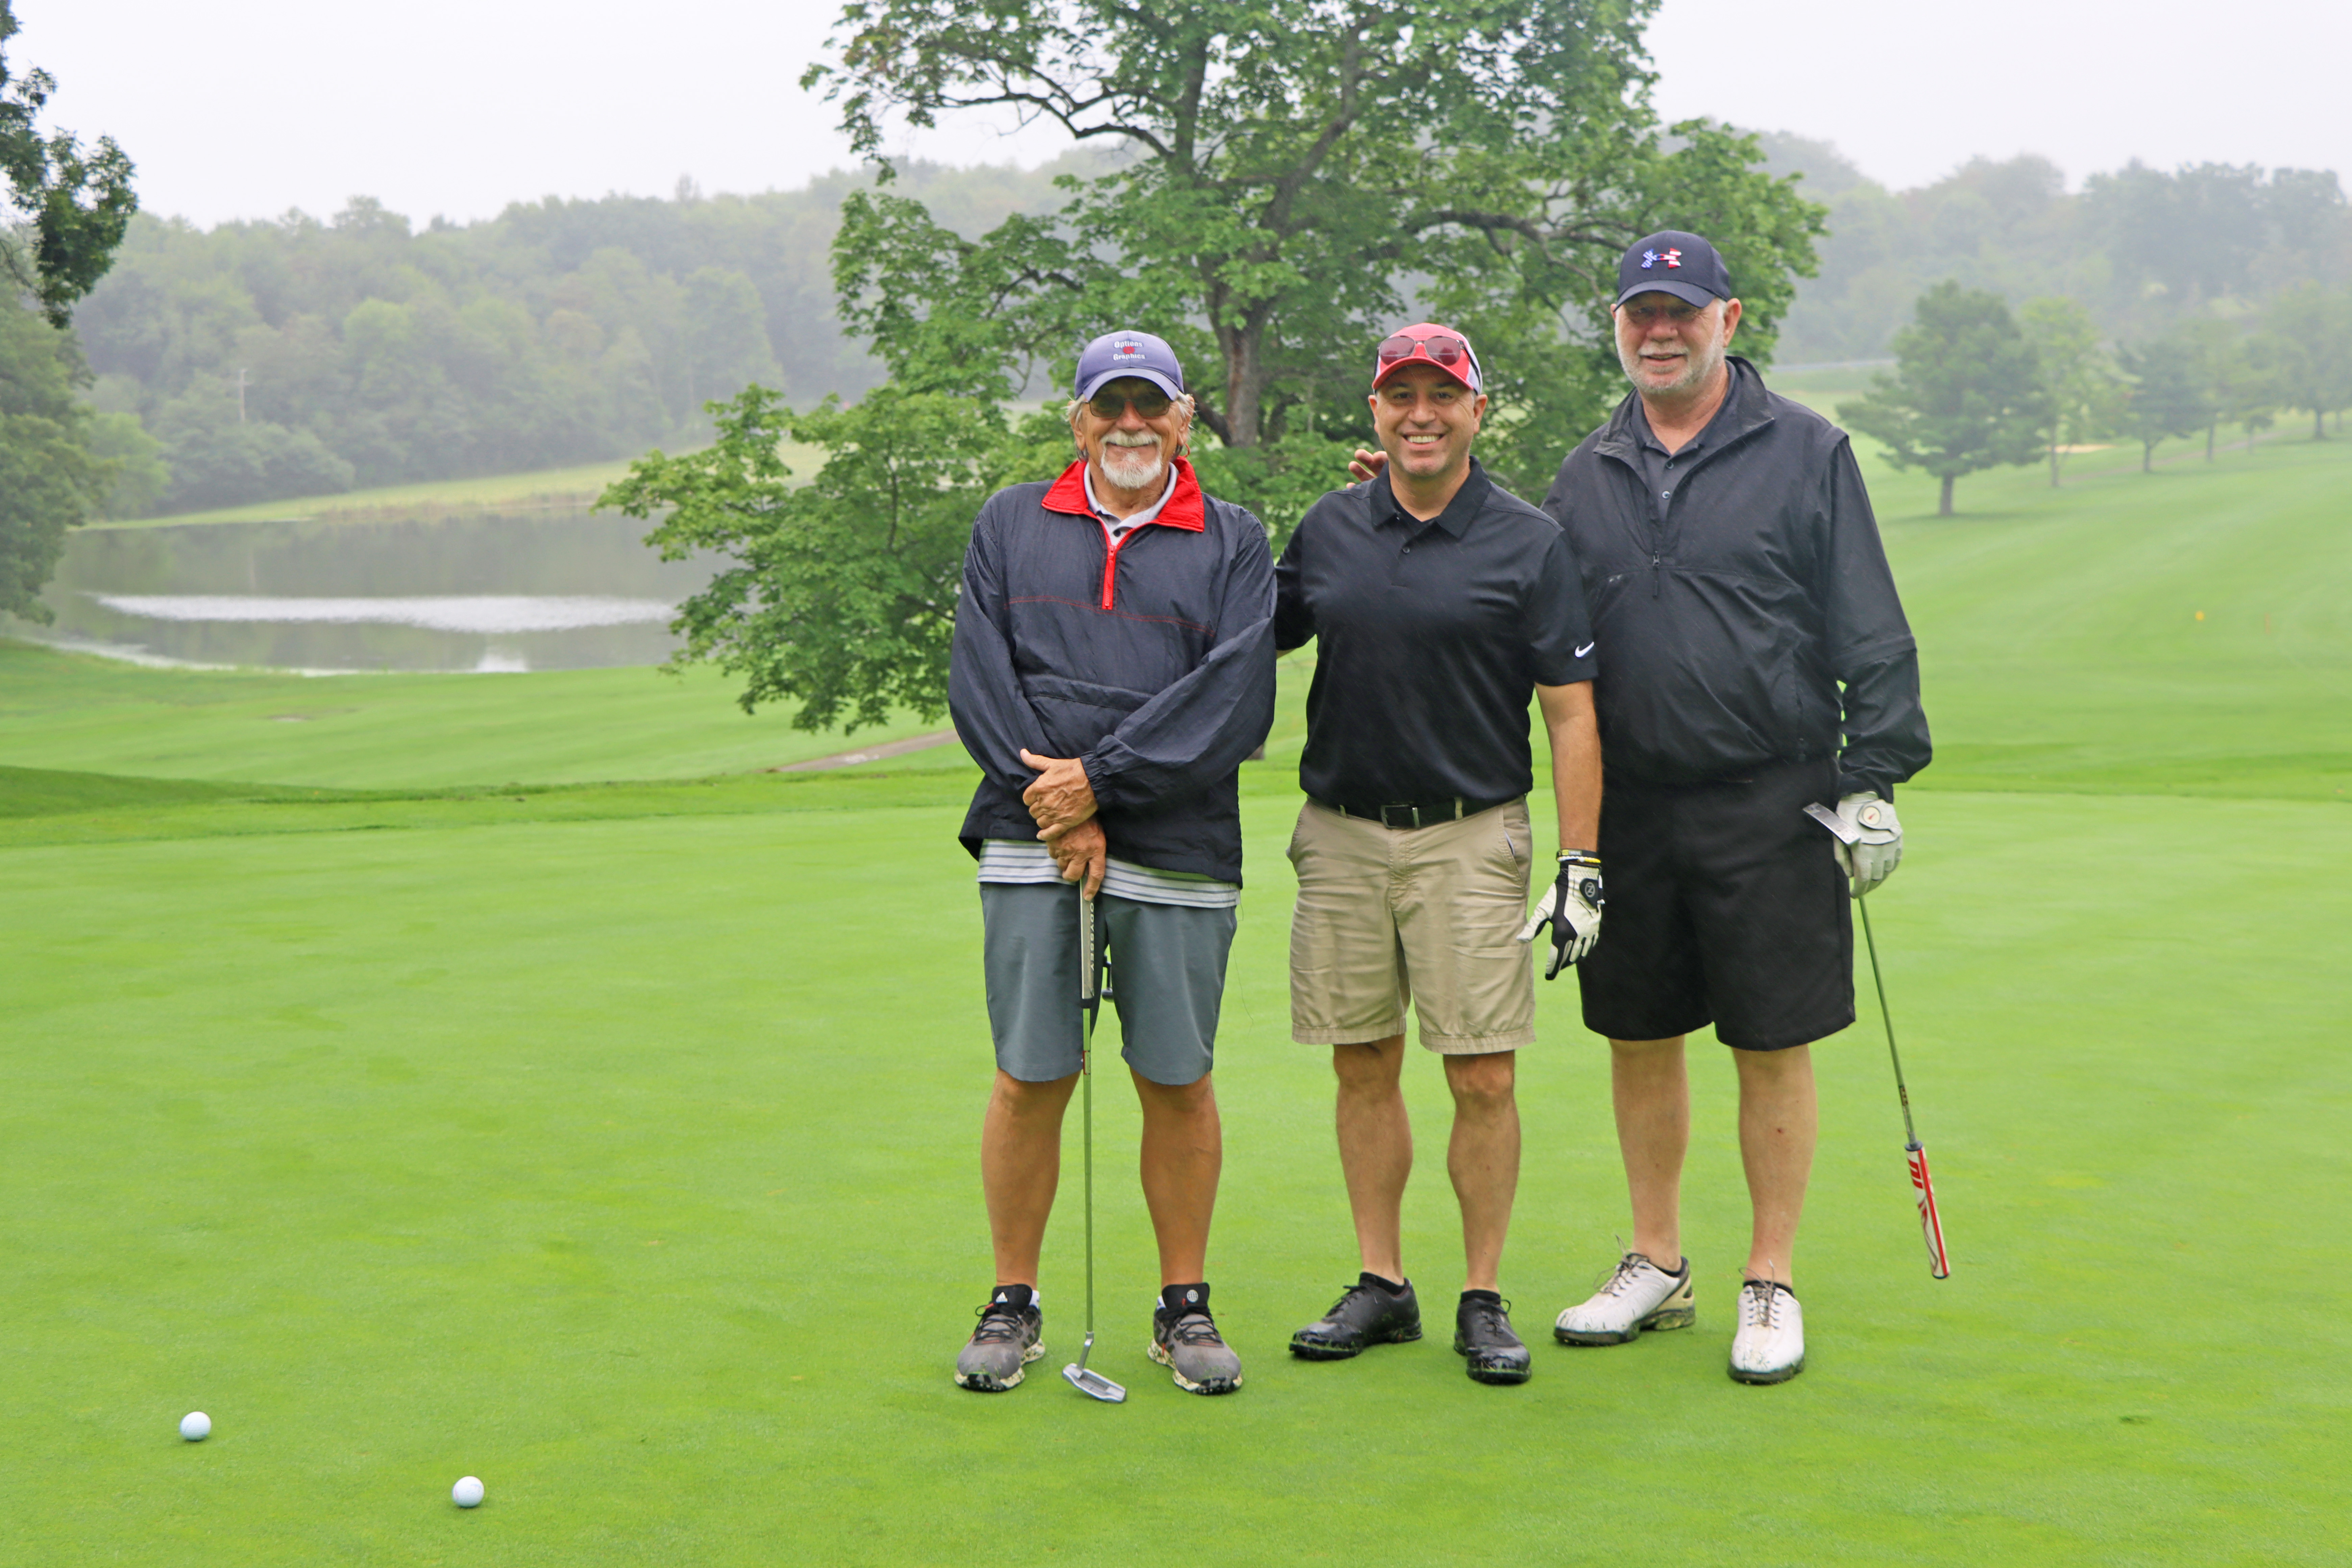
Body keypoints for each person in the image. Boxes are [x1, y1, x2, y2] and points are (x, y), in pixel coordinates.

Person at [1537, 231, 1931, 1383]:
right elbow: (1541, 622)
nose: (1658, 331)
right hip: (1633, 804)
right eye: (1638, 314)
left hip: (1773, 796)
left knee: (1770, 1038)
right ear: (1618, 326)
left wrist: (1874, 780)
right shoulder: (1586, 468)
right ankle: (1657, 1264)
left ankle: (1770, 1277)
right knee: (1639, 1033)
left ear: (1728, 318)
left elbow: (1871, 625)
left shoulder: (1805, 450)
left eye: (1680, 311)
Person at [946, 328, 1276, 1396]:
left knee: (1176, 1078)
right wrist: (1061, 804)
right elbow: (982, 677)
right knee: (1030, 1075)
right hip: (1029, 835)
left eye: (1151, 407)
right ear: (1078, 421)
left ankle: (1185, 1306)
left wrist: (1103, 783)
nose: (1130, 426)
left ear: (1185, 420)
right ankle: (1013, 1302)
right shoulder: (1009, 521)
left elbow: (1234, 698)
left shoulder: (1232, 538)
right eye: (1109, 407)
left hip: (1178, 846)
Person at [1276, 323, 1603, 1386]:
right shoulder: (1327, 528)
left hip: (1471, 833)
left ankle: (1481, 1294)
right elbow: (1242, 628)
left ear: (1476, 410)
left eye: (1442, 395)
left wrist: (1580, 862)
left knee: (1483, 1075)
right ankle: (1382, 1283)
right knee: (1361, 1059)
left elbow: (1570, 716)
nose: (1421, 412)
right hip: (1340, 833)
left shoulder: (1527, 539)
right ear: (1374, 411)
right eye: (1399, 394)